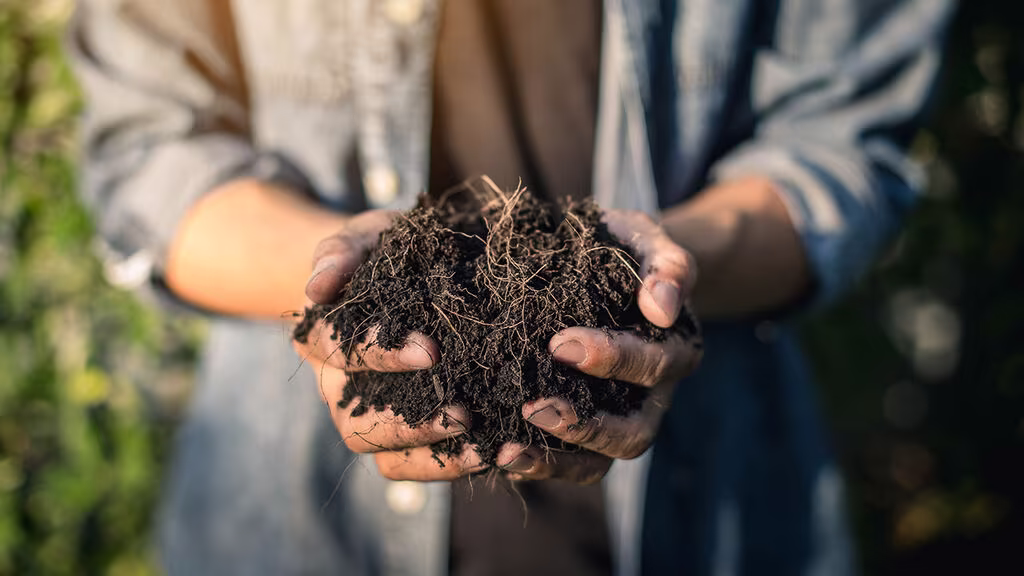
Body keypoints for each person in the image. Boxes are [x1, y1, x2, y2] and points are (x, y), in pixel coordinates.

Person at [69, 0, 952, 574]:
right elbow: (150, 151)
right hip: (301, 529)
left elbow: (842, 145)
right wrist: (333, 279)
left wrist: (675, 268)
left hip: (705, 510)